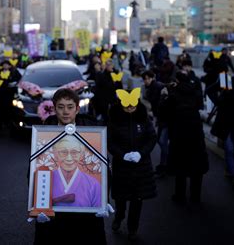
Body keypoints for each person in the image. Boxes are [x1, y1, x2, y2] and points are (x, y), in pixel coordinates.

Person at [35, 88, 107, 245]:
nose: (65, 111)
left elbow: (103, 165)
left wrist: (104, 197)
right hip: (53, 212)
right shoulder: (44, 133)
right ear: (54, 109)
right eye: (60, 107)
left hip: (85, 214)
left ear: (77, 109)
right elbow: (35, 167)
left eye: (70, 106)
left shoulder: (92, 131)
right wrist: (35, 203)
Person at [108, 89, 157, 241]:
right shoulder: (114, 120)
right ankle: (119, 215)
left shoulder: (144, 118)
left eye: (132, 106)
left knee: (137, 199)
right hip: (122, 166)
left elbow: (151, 137)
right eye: (126, 107)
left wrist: (141, 153)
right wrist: (121, 154)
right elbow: (110, 141)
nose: (130, 109)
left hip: (141, 167)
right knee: (121, 197)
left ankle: (132, 228)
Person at [160, 70, 209, 203]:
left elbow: (164, 112)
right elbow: (200, 106)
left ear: (177, 81)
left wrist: (164, 96)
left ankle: (180, 196)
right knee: (196, 168)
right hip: (196, 134)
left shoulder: (173, 95)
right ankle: (196, 197)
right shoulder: (196, 92)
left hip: (179, 135)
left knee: (180, 167)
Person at [51, 135, 101, 207]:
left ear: (81, 155)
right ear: (55, 154)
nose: (69, 158)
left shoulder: (93, 184)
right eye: (63, 152)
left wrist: (102, 208)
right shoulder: (46, 179)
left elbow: (97, 212)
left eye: (74, 152)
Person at [141, 70, 168, 177]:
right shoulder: (150, 87)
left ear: (153, 78)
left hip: (165, 119)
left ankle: (165, 166)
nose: (146, 81)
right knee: (161, 141)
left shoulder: (157, 86)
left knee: (162, 141)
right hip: (161, 118)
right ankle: (164, 165)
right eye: (145, 79)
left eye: (148, 78)